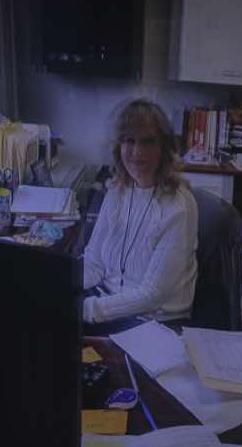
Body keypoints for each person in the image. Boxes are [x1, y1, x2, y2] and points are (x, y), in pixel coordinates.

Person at [81, 98, 198, 326]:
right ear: (119, 146)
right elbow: (94, 263)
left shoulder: (178, 207)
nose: (137, 152)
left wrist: (86, 309)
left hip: (154, 322)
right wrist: (61, 287)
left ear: (164, 148)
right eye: (129, 140)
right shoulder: (117, 190)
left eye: (148, 142)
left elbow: (152, 295)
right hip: (108, 306)